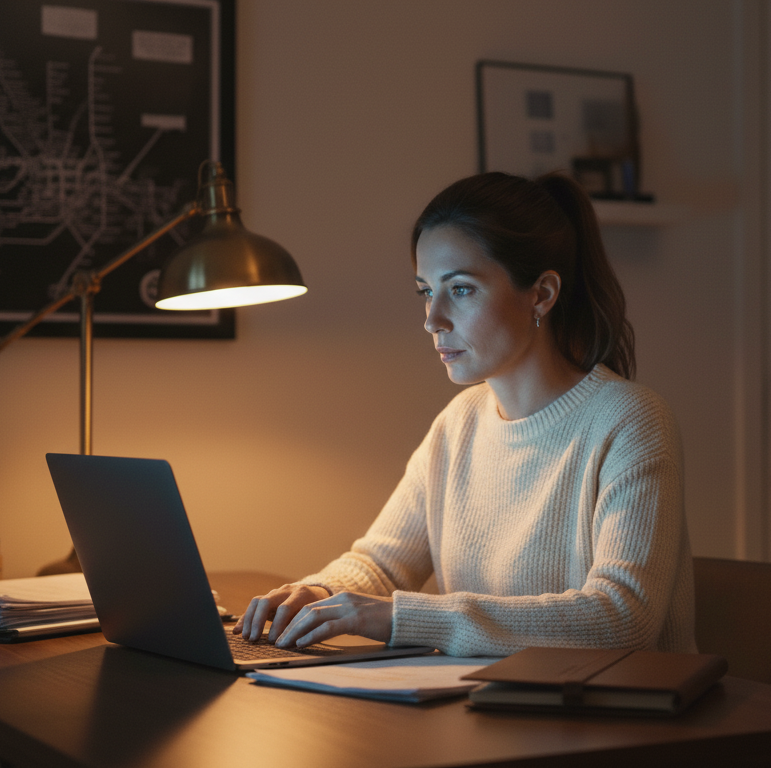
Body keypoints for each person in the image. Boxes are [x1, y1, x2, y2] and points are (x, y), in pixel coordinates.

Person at [234, 171, 695, 657]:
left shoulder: (631, 420)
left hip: (620, 720)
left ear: (541, 294)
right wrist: (320, 594)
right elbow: (382, 565)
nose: (432, 320)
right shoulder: (460, 423)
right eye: (425, 291)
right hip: (493, 707)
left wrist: (403, 617)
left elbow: (623, 618)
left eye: (461, 290)